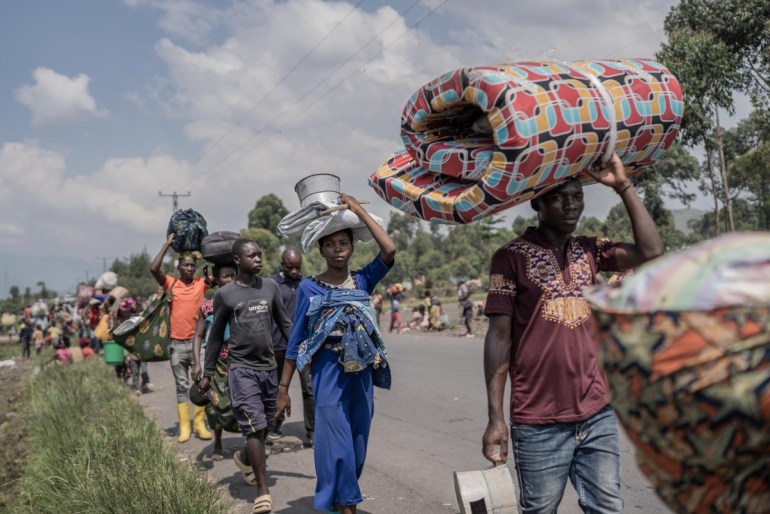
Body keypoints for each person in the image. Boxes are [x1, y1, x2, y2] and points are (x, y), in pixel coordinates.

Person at [482, 154, 664, 513]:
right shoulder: (510, 258)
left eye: (577, 196)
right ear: (536, 201)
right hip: (538, 421)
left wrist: (623, 186)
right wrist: (495, 417)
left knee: (608, 508)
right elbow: (499, 339)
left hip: (597, 413)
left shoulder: (591, 250)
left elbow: (651, 251)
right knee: (541, 509)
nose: (571, 205)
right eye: (559, 197)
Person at [275, 193, 396, 514]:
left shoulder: (362, 280)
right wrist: (283, 389)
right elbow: (297, 339)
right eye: (330, 245)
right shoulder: (309, 288)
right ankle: (346, 505)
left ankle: (344, 495)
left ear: (352, 247)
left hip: (361, 374)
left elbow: (389, 249)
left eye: (343, 243)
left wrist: (358, 211)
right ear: (321, 250)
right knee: (336, 445)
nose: (338, 249)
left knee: (357, 444)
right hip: (327, 371)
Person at [199, 239, 292, 514]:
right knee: (252, 426)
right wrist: (206, 373)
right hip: (240, 369)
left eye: (260, 255)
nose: (258, 259)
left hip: (268, 369)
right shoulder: (225, 295)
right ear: (238, 260)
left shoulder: (270, 287)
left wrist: (305, 355)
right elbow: (215, 337)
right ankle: (262, 491)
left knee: (264, 425)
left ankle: (243, 456)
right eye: (252, 256)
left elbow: (286, 324)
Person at [151, 232, 212, 443]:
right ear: (178, 268)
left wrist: (206, 250)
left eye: (191, 266)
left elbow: (218, 271)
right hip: (176, 345)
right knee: (181, 385)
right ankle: (184, 427)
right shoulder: (172, 284)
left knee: (202, 384)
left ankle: (199, 424)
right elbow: (153, 268)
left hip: (197, 345)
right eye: (185, 265)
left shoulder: (201, 285)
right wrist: (167, 245)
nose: (188, 268)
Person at [269, 248, 315, 447]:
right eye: (290, 268)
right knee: (278, 388)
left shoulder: (306, 284)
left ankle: (312, 431)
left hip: (304, 347)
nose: (295, 272)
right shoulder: (271, 285)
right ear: (282, 264)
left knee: (310, 389)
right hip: (278, 345)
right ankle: (275, 425)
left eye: (298, 267)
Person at [191, 262, 237, 461]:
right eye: (226, 276)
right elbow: (198, 335)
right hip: (217, 361)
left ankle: (252, 445)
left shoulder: (243, 300)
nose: (231, 279)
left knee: (244, 401)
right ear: (217, 280)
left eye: (234, 275)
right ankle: (217, 443)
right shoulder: (208, 306)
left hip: (241, 359)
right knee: (213, 403)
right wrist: (197, 362)